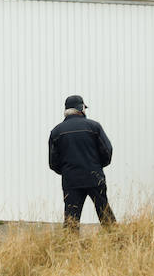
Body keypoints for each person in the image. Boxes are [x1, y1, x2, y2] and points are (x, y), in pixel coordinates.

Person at [48, 94, 116, 231]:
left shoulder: (56, 131)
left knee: (71, 218)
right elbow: (107, 151)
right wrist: (96, 166)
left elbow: (53, 162)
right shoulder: (94, 127)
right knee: (104, 212)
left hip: (71, 180)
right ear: (81, 108)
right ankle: (116, 242)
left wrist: (67, 171)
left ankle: (70, 248)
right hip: (94, 177)